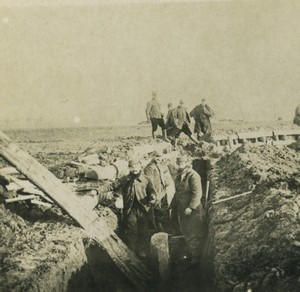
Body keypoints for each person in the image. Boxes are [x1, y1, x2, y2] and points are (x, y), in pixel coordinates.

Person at [96, 158, 157, 258]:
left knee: (144, 230)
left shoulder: (146, 179)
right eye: (132, 167)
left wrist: (152, 197)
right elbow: (112, 186)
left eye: (136, 166)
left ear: (140, 167)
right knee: (131, 230)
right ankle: (132, 252)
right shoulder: (125, 179)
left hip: (144, 209)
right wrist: (97, 191)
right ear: (129, 168)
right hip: (130, 209)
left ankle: (142, 251)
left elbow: (152, 191)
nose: (134, 169)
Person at [169, 155, 205, 266]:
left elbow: (197, 193)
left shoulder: (193, 176)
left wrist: (191, 207)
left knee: (194, 233)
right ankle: (191, 253)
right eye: (178, 164)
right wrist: (171, 205)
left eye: (182, 163)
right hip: (183, 210)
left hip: (193, 211)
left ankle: (196, 258)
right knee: (187, 231)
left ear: (187, 163)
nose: (180, 166)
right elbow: (178, 193)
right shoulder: (179, 176)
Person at [144, 150, 173, 232]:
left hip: (163, 191)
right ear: (153, 156)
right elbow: (148, 182)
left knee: (165, 209)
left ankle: (167, 228)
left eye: (159, 157)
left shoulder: (161, 166)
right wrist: (153, 194)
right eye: (156, 156)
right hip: (156, 193)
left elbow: (167, 177)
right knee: (157, 211)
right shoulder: (149, 167)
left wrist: (167, 182)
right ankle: (158, 230)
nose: (158, 158)